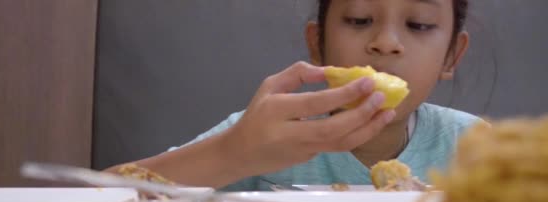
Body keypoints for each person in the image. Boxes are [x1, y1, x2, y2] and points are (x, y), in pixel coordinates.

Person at [109, 0, 480, 191]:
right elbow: (99, 198)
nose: (385, 43)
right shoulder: (264, 136)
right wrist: (232, 153)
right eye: (359, 19)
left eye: (419, 24)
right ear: (316, 44)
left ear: (451, 55)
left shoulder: (476, 148)